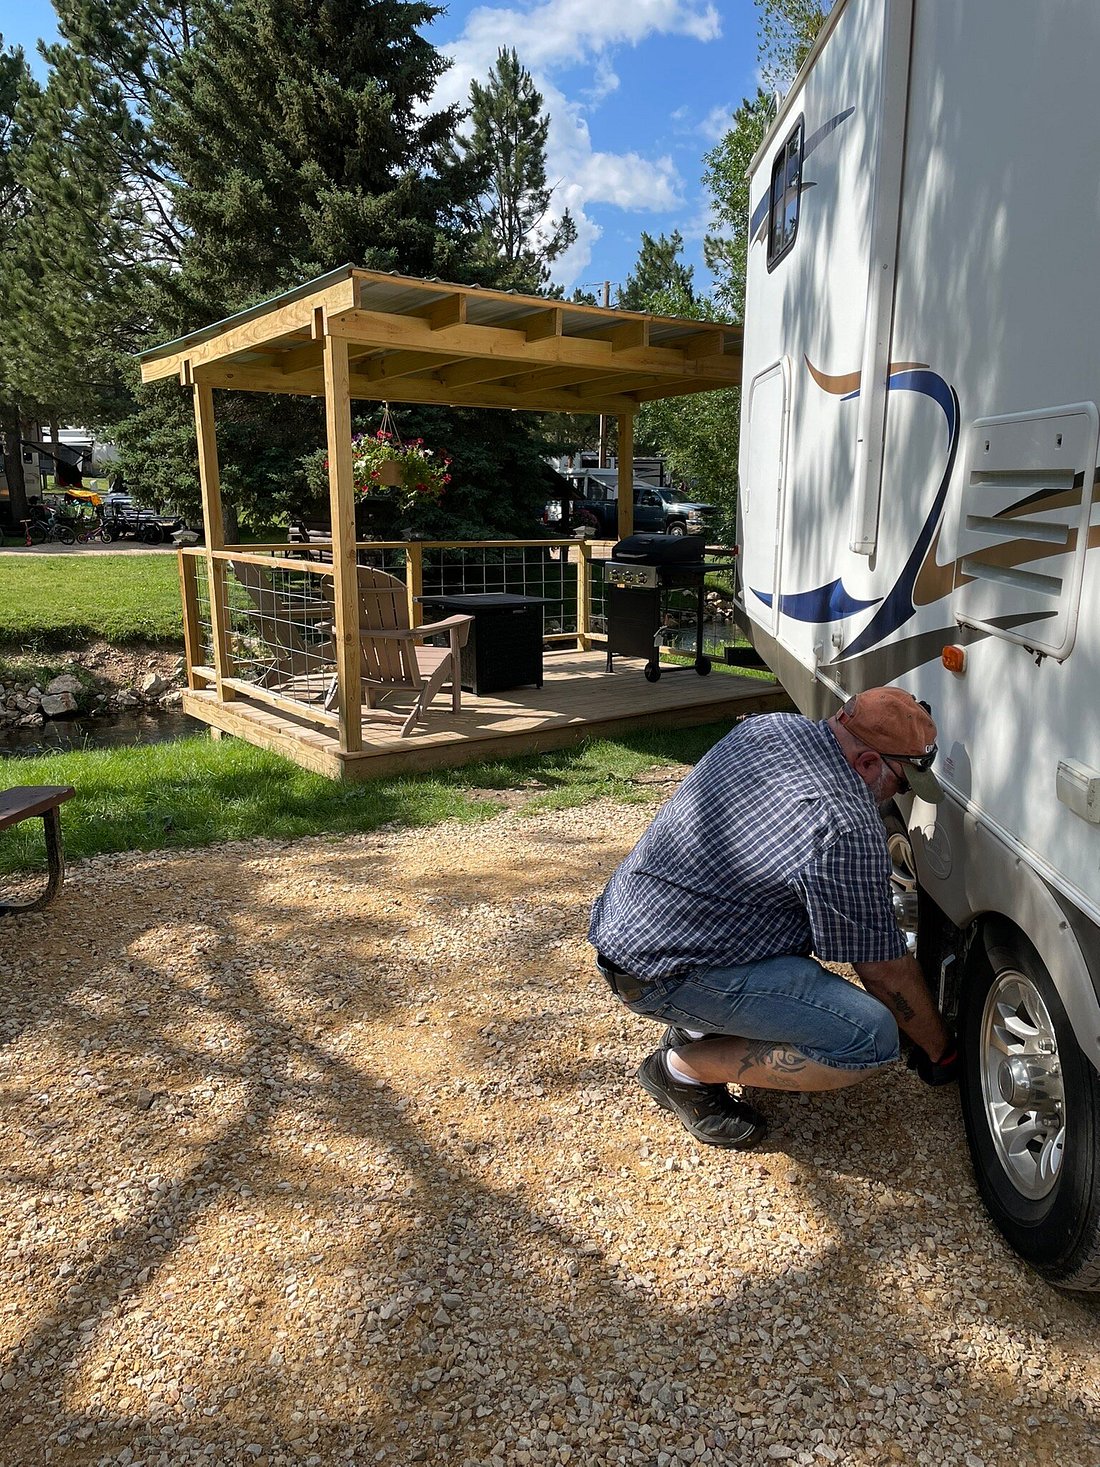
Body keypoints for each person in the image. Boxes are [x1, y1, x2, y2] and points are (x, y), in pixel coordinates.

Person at [588, 686, 959, 1150]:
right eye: (901, 783)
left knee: (795, 922)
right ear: (867, 763)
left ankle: (699, 1024)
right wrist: (941, 1049)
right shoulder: (844, 823)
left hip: (628, 926)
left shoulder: (771, 727)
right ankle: (680, 1072)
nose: (897, 796)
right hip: (660, 973)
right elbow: (885, 972)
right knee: (869, 1036)